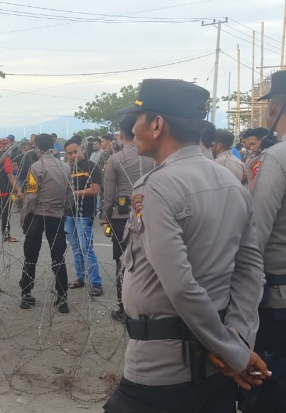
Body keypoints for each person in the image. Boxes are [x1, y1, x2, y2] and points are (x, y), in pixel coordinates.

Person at [103, 79, 268, 413]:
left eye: (137, 118)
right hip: (214, 363)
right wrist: (236, 339)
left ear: (157, 124)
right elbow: (251, 272)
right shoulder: (231, 184)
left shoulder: (155, 188)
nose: (132, 128)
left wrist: (232, 352)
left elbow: (179, 285)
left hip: (161, 368)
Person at [245, 70, 286, 413]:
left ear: (276, 105)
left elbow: (253, 237)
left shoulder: (274, 160)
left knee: (269, 393)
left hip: (277, 301)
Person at [103, 115, 155, 323]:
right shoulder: (153, 157)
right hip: (149, 212)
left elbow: (108, 195)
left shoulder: (115, 159)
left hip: (122, 216)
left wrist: (106, 217)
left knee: (122, 263)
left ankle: (124, 307)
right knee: (151, 260)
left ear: (122, 134)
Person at [19, 133, 73, 312]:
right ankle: (62, 299)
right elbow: (69, 196)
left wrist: (24, 216)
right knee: (58, 258)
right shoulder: (65, 167)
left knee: (30, 257)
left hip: (37, 215)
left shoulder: (36, 167)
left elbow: (31, 195)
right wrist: (62, 210)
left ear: (37, 148)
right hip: (56, 217)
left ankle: (26, 295)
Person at [63, 136, 103, 297]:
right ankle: (80, 277)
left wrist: (73, 194)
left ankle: (96, 283)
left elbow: (95, 190)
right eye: (69, 154)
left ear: (82, 149)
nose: (73, 156)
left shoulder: (92, 167)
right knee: (75, 247)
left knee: (86, 247)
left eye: (75, 152)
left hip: (85, 213)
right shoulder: (68, 168)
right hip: (69, 214)